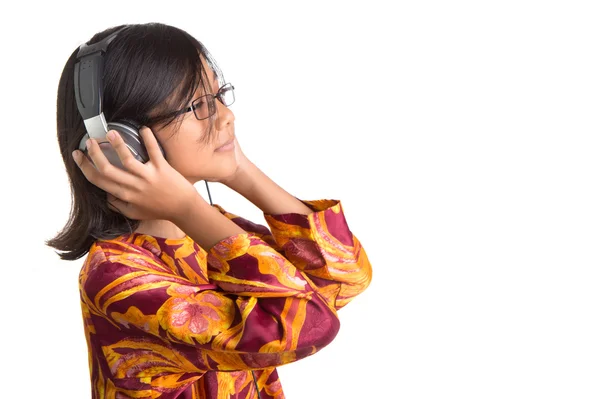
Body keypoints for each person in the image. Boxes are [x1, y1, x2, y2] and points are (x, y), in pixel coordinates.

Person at [47, 22, 372, 399]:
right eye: (199, 104)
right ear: (120, 143)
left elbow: (344, 276)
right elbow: (309, 325)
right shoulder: (116, 279)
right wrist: (188, 207)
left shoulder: (208, 233)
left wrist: (241, 172)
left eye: (219, 95)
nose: (225, 116)